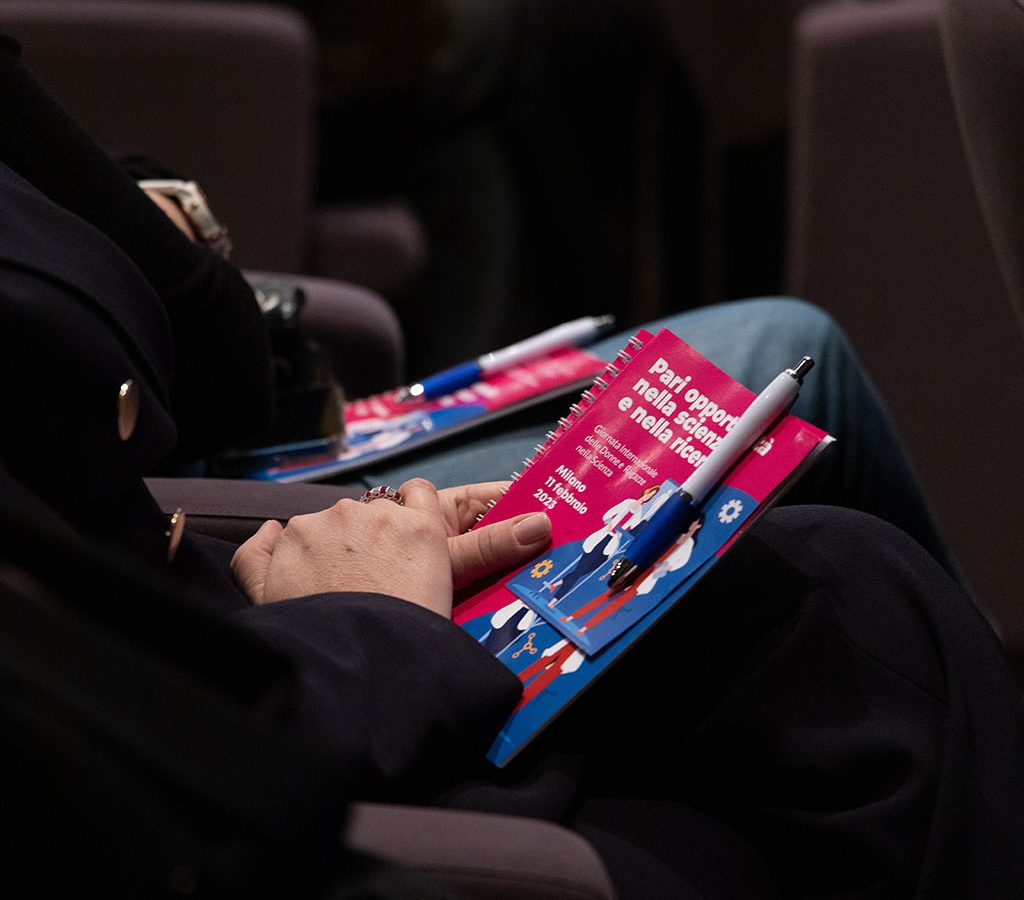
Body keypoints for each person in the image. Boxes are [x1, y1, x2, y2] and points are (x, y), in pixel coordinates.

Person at [3, 33, 1022, 898]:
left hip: (230, 607)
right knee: (856, 592)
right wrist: (363, 618)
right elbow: (220, 359)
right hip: (292, 722)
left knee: (843, 580)